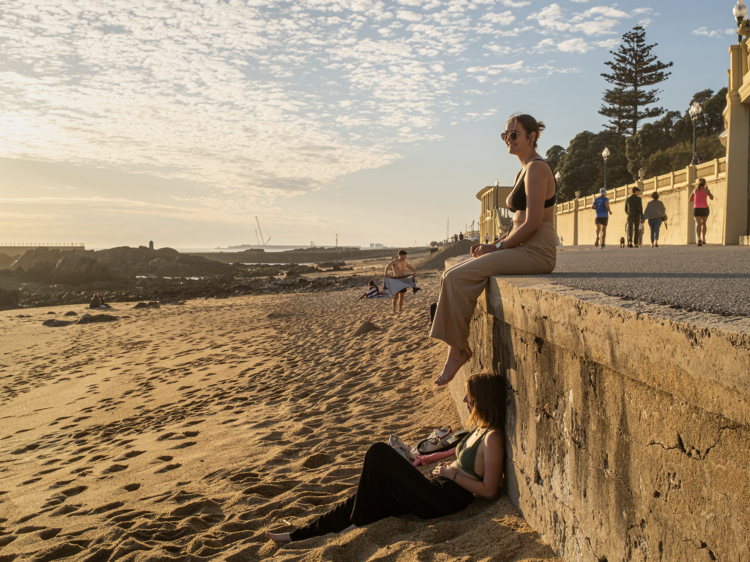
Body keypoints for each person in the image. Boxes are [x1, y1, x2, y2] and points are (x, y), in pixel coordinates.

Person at [265, 372, 505, 543]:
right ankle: (300, 534)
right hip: (435, 487)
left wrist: (449, 472)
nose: (464, 400)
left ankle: (358, 521)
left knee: (378, 452)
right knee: (364, 494)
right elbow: (457, 454)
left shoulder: (492, 437)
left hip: (443, 499)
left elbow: (489, 490)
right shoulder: (480, 429)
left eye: (469, 396)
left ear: (482, 399)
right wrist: (436, 463)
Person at [430, 114, 557, 386]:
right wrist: (497, 242)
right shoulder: (522, 171)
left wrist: (496, 246)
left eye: (514, 134)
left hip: (537, 251)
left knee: (455, 277)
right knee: (450, 274)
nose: (508, 139)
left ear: (532, 136)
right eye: (505, 135)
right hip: (520, 245)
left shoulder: (538, 169)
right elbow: (518, 222)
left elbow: (533, 224)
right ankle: (456, 347)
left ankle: (458, 351)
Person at [690, 178, 713, 246]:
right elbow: (711, 197)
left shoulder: (695, 190)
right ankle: (703, 239)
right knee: (704, 223)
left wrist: (696, 199)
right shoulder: (706, 190)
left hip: (697, 208)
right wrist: (708, 195)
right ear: (705, 183)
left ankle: (698, 238)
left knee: (698, 224)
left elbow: (690, 199)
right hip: (705, 208)